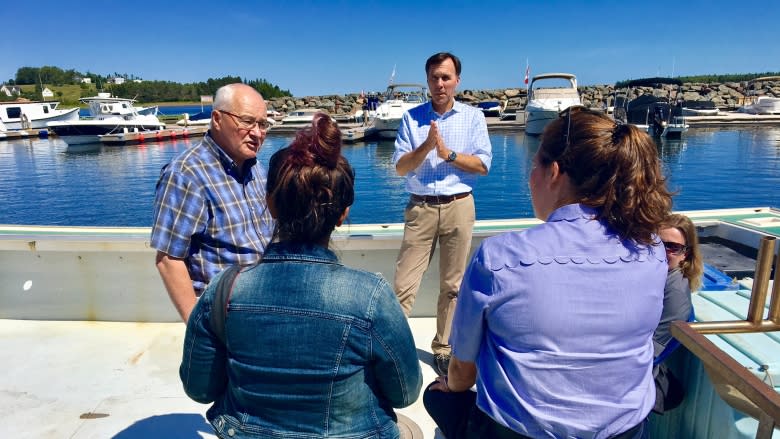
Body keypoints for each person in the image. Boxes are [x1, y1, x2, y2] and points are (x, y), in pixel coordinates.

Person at [424, 106, 673, 439]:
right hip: (625, 431)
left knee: (436, 396)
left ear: (554, 173)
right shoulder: (652, 249)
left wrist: (450, 384)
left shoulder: (500, 258)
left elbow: (462, 372)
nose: (530, 178)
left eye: (533, 166)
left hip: (517, 434)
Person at [180, 113, 422, 439]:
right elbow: (405, 394)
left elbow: (199, 389)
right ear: (343, 214)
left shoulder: (224, 289)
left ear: (271, 205)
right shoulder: (370, 296)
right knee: (410, 429)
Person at [392, 52, 492, 377]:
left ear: (457, 81)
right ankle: (390, 347)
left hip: (459, 205)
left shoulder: (474, 117)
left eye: (446, 77)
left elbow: (482, 165)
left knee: (453, 285)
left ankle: (443, 348)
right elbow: (400, 167)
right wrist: (426, 147)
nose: (440, 84)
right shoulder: (411, 118)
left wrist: (446, 153)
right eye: (434, 77)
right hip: (420, 206)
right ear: (427, 80)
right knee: (404, 283)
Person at [151, 83, 274, 323]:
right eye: (248, 121)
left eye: (262, 124)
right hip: (226, 314)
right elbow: (168, 260)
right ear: (217, 119)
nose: (258, 133)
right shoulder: (187, 173)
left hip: (265, 304)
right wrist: (196, 326)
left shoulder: (256, 168)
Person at [653, 213, 703, 413]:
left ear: (686, 255)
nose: (662, 251)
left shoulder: (675, 295)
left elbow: (648, 354)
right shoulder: (657, 280)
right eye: (656, 243)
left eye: (672, 247)